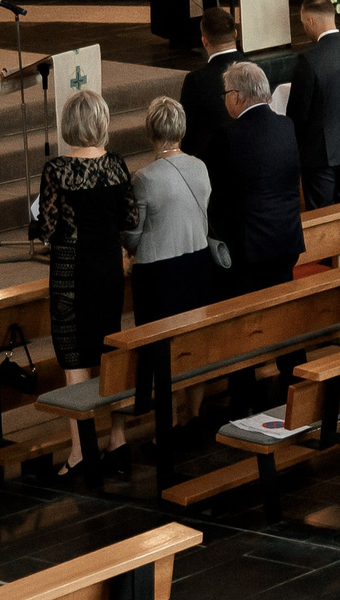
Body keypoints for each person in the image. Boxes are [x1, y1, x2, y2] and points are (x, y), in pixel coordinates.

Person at [34, 89, 134, 462]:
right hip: (108, 269)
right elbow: (130, 221)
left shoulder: (57, 170)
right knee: (109, 352)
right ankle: (118, 439)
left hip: (70, 274)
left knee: (75, 357)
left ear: (69, 125)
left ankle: (80, 451)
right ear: (101, 122)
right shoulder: (117, 165)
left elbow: (46, 230)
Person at [209, 60, 304, 295]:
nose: (224, 99)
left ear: (237, 96)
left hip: (249, 248)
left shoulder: (228, 135)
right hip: (286, 239)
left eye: (226, 93)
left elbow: (214, 188)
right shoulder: (286, 126)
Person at [126, 96, 217, 326]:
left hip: (158, 273)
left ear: (149, 133)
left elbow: (132, 236)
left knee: (158, 348)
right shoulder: (200, 167)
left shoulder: (144, 178)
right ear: (182, 131)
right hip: (199, 262)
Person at [290, 0, 340, 209]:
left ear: (310, 21)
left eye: (302, 23)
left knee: (322, 215)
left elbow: (298, 113)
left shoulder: (308, 59)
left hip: (319, 150)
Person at [177, 7, 243, 169]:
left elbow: (187, 132)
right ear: (235, 34)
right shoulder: (256, 68)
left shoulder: (196, 80)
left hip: (209, 168)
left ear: (204, 40)